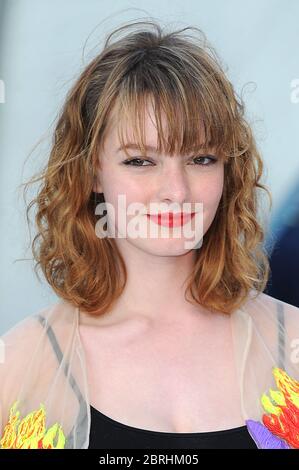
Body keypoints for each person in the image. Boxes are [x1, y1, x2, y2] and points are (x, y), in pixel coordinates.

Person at [0, 20, 299, 450]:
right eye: (140, 161)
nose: (176, 192)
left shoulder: (290, 343)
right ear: (90, 172)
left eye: (200, 158)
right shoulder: (20, 365)